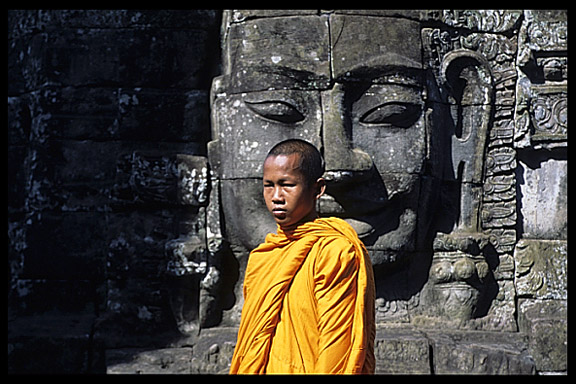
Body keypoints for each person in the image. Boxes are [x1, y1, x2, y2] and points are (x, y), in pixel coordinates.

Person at [229, 139, 375, 374]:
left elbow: (337, 344)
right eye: (269, 185)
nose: (276, 196)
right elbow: (253, 343)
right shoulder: (263, 257)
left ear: (317, 189)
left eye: (287, 185)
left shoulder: (334, 251)